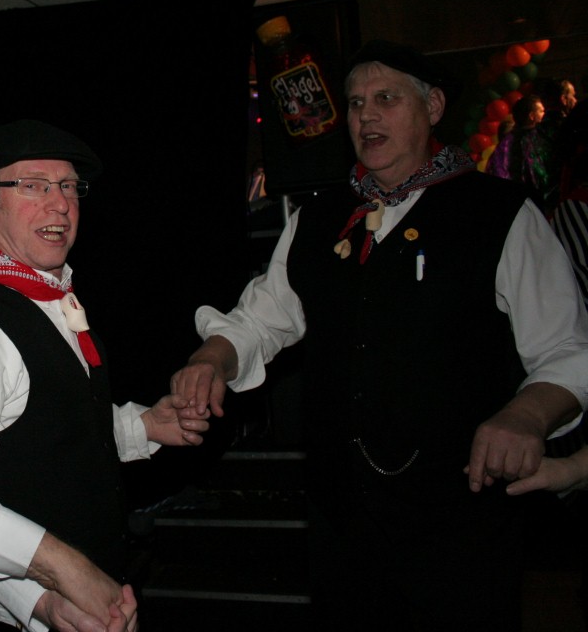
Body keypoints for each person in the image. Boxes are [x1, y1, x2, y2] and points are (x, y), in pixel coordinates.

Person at [170, 40, 588, 631]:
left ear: (433, 107)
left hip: (458, 520)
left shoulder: (500, 214)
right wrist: (212, 358)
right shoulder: (317, 219)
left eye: (386, 98)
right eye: (356, 102)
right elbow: (260, 321)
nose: (366, 115)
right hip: (342, 520)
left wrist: (527, 415)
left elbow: (568, 352)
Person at [0, 119, 206, 632]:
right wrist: (47, 583)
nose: (60, 203)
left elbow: (48, 429)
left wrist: (145, 427)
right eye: (33, 185)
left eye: (68, 186)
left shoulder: (50, 301)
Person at [487, 93, 557, 212]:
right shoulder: (537, 141)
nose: (544, 114)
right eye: (541, 111)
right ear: (532, 116)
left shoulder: (504, 145)